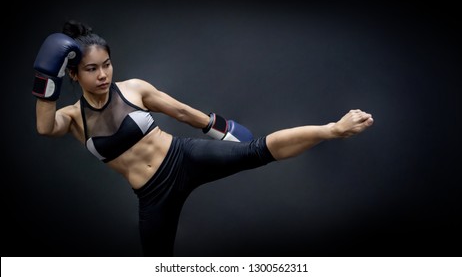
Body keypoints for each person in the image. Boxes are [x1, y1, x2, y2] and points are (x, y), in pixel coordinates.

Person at [32, 20, 374, 256]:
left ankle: (333, 129)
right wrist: (47, 81)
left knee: (257, 151)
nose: (104, 74)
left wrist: (221, 129)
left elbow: (183, 113)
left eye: (107, 64)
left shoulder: (134, 88)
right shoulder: (72, 118)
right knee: (158, 263)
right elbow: (45, 128)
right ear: (73, 74)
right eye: (92, 69)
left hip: (184, 157)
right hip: (152, 196)